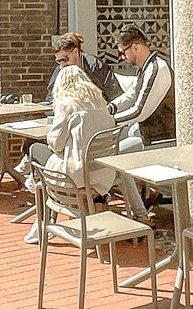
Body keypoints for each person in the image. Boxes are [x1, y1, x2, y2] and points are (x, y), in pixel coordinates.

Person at [21, 64, 124, 210]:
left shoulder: (66, 104)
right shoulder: (101, 103)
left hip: (76, 176)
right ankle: (97, 200)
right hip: (103, 174)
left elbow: (56, 144)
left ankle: (37, 189)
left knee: (35, 149)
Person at [108, 26, 175, 150]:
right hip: (147, 135)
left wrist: (109, 120)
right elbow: (132, 93)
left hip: (162, 141)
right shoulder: (145, 68)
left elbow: (140, 111)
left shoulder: (157, 68)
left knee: (117, 154)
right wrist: (110, 108)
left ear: (135, 47)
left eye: (123, 52)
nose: (122, 57)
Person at [46, 33, 120, 102]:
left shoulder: (94, 66)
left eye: (65, 59)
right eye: (59, 61)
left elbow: (113, 93)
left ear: (75, 52)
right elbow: (51, 95)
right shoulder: (60, 69)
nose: (62, 64)